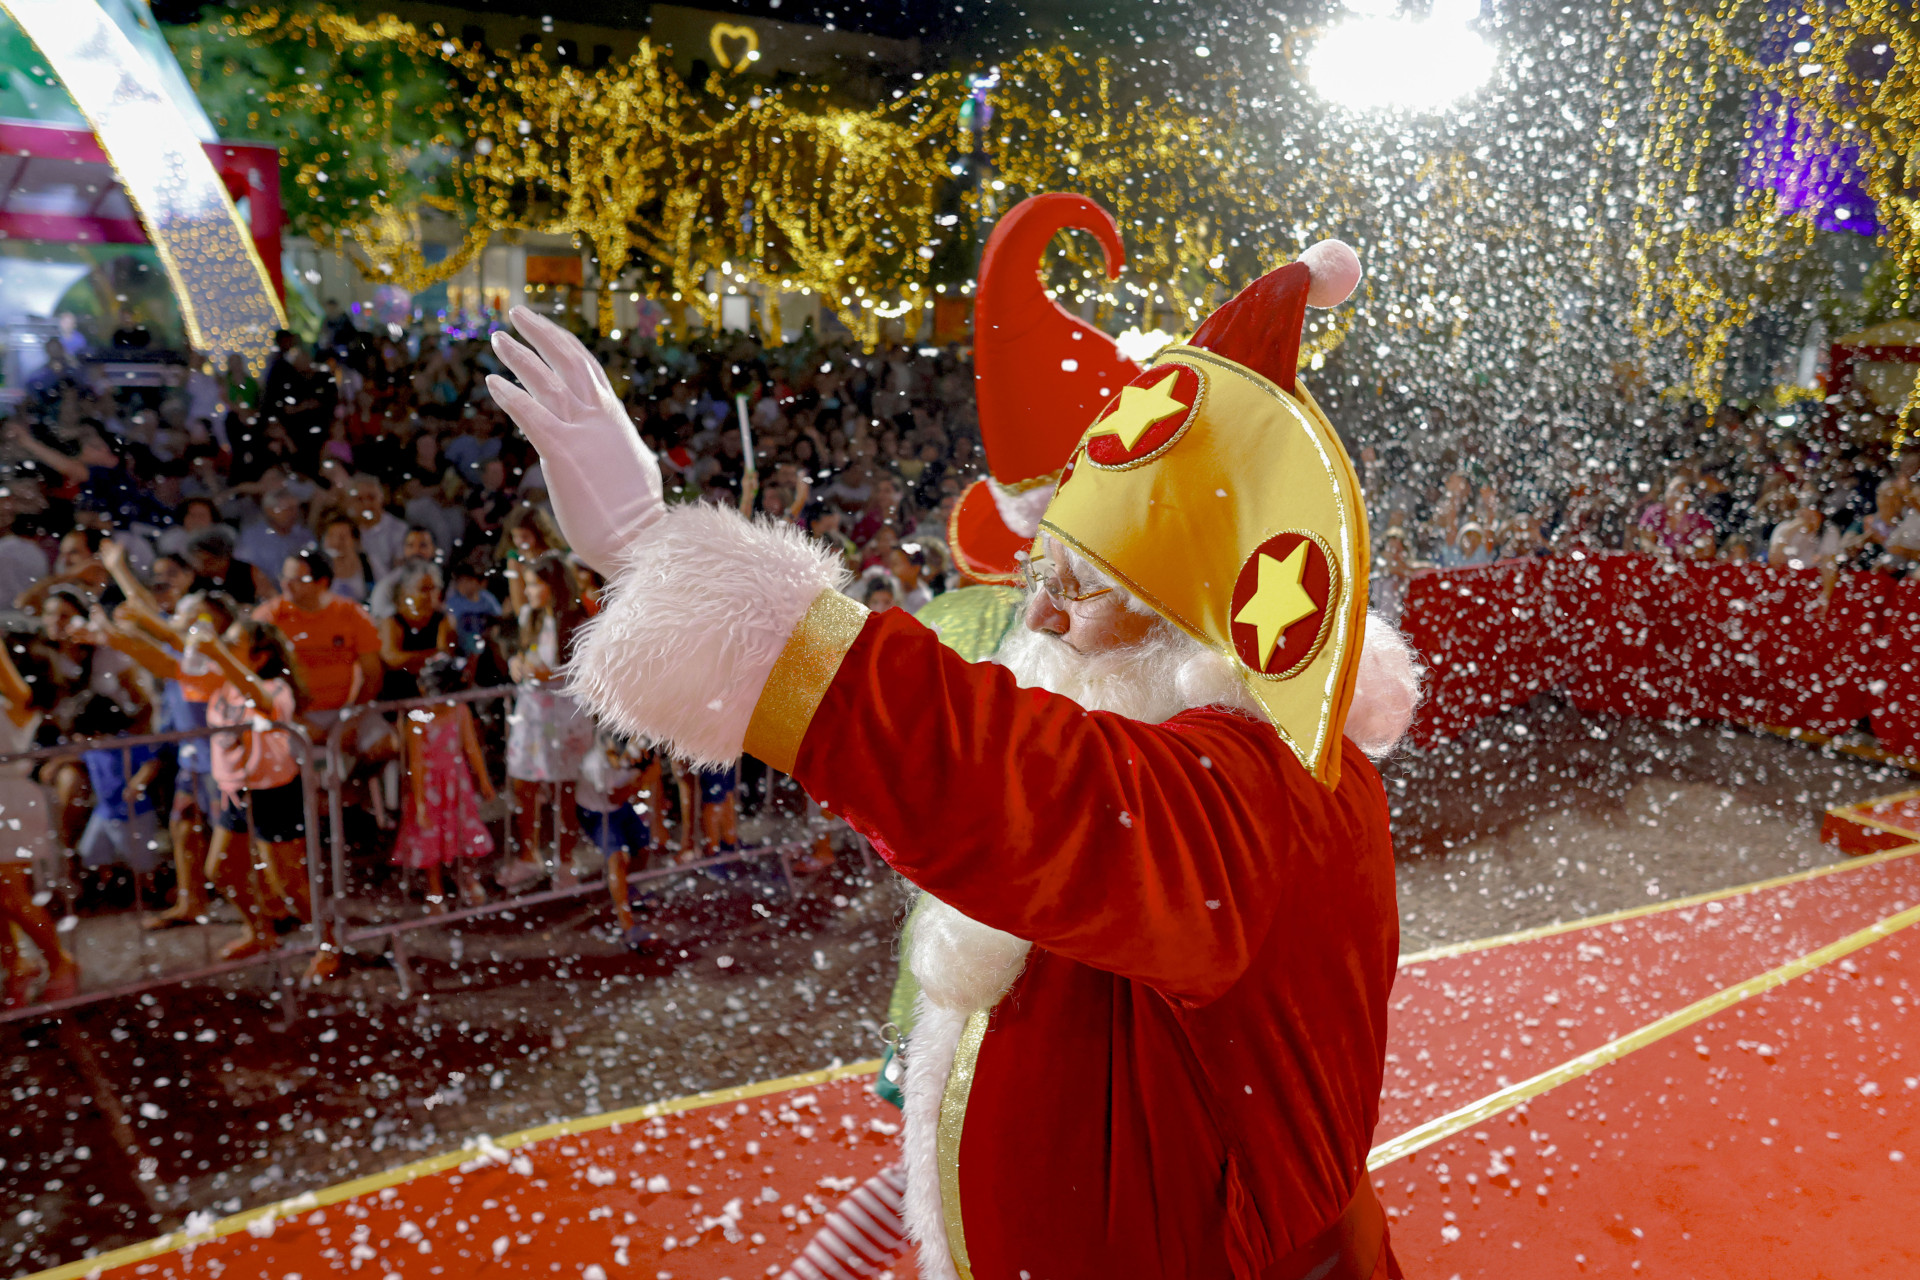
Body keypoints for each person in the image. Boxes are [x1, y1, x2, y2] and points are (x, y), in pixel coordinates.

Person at [492, 233, 1419, 1279]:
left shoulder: (1248, 792)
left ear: (1190, 624)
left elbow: (994, 771)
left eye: (1080, 585)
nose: (1038, 613)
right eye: (1041, 568)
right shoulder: (1207, 753)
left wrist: (655, 548)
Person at [499, 552, 593, 888]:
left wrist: (551, 673)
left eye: (535, 584)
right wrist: (517, 665)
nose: (530, 591)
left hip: (564, 715)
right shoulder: (529, 616)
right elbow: (523, 652)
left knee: (564, 790)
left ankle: (565, 861)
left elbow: (584, 671)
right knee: (525, 785)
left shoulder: (577, 622)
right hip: (531, 714)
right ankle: (529, 855)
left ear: (552, 586)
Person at [0, 633, 79, 1007]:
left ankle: (59, 961)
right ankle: (16, 964)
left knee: (13, 896)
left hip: (10, 802)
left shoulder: (19, 701)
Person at [390, 654, 494, 911]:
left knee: (463, 832)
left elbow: (471, 748)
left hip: (456, 784)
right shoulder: (417, 718)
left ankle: (467, 877)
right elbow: (415, 762)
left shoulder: (460, 711)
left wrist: (484, 780)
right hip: (428, 787)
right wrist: (422, 804)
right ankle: (434, 889)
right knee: (430, 839)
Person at [254, 548, 383, 719]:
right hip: (289, 716)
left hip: (346, 712)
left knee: (382, 742)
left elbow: (372, 674)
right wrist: (292, 718)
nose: (286, 585)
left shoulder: (351, 614)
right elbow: (256, 676)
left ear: (322, 583)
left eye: (299, 580)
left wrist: (353, 718)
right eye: (284, 577)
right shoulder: (268, 617)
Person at [576, 728, 662, 947]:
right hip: (598, 812)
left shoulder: (643, 749)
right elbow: (616, 795)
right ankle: (627, 927)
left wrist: (659, 821)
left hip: (620, 808)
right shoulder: (596, 764)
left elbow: (655, 777)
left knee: (642, 849)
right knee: (617, 859)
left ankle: (628, 891)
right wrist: (643, 780)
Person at [71, 694, 164, 882]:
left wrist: (137, 783)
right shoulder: (91, 747)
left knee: (141, 863)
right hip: (105, 812)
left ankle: (152, 892)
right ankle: (109, 888)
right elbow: (77, 756)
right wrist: (56, 763)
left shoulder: (125, 742)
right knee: (91, 854)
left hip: (133, 813)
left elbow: (151, 763)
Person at [377, 563, 455, 700]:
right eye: (423, 589)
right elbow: (391, 658)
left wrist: (409, 660)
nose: (429, 596)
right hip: (397, 690)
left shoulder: (442, 619)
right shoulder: (393, 621)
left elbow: (444, 657)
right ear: (407, 592)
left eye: (433, 589)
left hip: (433, 688)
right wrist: (428, 656)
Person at [444, 559, 503, 654]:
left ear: (476, 581)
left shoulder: (487, 598)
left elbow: (498, 616)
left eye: (467, 581)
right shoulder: (454, 601)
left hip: (487, 643)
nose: (462, 585)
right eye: (459, 582)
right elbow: (452, 627)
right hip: (464, 646)